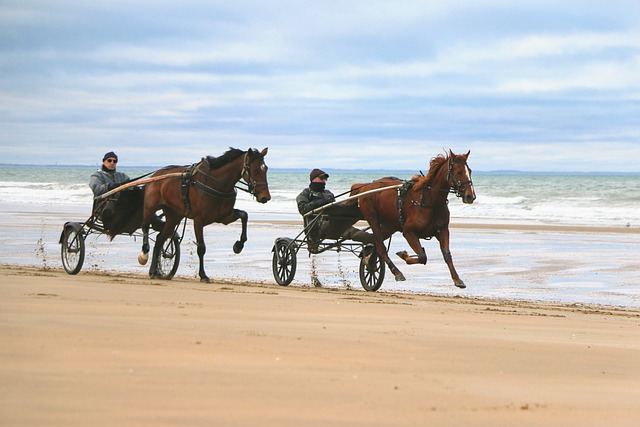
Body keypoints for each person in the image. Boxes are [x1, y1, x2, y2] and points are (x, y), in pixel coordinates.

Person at [296, 168, 374, 250]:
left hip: (335, 223)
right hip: (316, 227)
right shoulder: (305, 193)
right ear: (313, 179)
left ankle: (375, 238)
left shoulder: (328, 194)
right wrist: (316, 203)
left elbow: (337, 209)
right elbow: (303, 210)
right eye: (321, 178)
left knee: (352, 231)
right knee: (347, 225)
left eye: (325, 179)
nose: (324, 181)